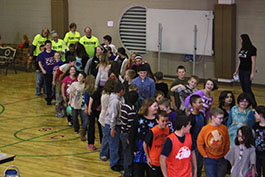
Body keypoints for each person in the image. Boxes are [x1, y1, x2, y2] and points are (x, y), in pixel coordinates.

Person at [129, 98, 158, 177]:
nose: (157, 108)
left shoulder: (157, 119)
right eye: (154, 106)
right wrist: (134, 149)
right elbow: (132, 134)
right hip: (139, 148)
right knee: (138, 171)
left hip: (152, 149)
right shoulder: (138, 117)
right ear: (148, 107)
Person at [197, 107, 230, 177]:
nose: (221, 120)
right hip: (209, 158)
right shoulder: (205, 129)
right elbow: (199, 143)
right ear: (213, 117)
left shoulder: (224, 128)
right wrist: (204, 155)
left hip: (221, 158)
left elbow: (227, 142)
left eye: (222, 118)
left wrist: (225, 153)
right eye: (219, 118)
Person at [104, 83, 125, 171]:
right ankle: (114, 163)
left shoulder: (119, 98)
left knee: (118, 144)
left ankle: (118, 161)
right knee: (114, 145)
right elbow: (113, 115)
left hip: (117, 124)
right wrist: (112, 128)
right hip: (113, 125)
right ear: (121, 91)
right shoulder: (115, 101)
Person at [143, 110, 169, 177]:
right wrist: (148, 157)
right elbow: (145, 144)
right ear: (157, 120)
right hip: (154, 161)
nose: (165, 123)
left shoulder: (167, 129)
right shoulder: (153, 131)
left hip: (163, 161)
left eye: (166, 121)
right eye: (163, 121)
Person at [233, 34, 257, 108]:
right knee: (243, 88)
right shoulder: (242, 49)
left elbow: (253, 62)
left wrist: (252, 73)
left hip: (247, 71)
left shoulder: (252, 49)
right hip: (241, 70)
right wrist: (236, 71)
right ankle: (246, 103)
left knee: (247, 88)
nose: (240, 41)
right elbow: (240, 60)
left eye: (241, 39)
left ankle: (254, 104)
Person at [120, 90, 138, 177]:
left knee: (126, 153)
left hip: (123, 132)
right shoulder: (132, 109)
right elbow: (130, 125)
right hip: (127, 134)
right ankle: (127, 174)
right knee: (128, 155)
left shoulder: (124, 106)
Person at [98, 79, 117, 161]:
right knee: (106, 137)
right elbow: (107, 108)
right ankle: (103, 153)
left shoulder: (107, 94)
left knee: (107, 137)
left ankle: (106, 153)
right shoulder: (106, 96)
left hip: (106, 118)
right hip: (105, 119)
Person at [188, 94, 206, 177]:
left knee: (199, 165)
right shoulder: (191, 118)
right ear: (193, 104)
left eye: (201, 102)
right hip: (194, 145)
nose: (201, 104)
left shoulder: (202, 115)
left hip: (201, 144)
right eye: (199, 102)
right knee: (194, 166)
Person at [38, 40, 56, 105]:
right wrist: (43, 70)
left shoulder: (54, 52)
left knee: (55, 86)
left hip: (54, 72)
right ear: (45, 46)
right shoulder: (42, 54)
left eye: (50, 45)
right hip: (47, 72)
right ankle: (49, 99)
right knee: (48, 86)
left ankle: (54, 97)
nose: (49, 46)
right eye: (47, 45)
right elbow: (39, 62)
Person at [80, 75, 95, 141]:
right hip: (84, 107)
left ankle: (89, 134)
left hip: (85, 107)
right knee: (86, 121)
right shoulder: (87, 90)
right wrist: (86, 108)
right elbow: (85, 100)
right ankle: (82, 134)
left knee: (88, 121)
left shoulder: (88, 89)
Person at [253, 105, 265, 177]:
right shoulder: (255, 125)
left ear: (260, 114)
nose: (254, 115)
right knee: (256, 172)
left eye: (255, 113)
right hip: (256, 154)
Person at [52, 52, 64, 117]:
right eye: (56, 55)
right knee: (58, 95)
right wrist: (53, 80)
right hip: (56, 81)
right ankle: (58, 111)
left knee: (60, 95)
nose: (57, 57)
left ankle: (61, 110)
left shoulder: (62, 63)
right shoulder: (53, 63)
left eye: (58, 55)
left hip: (60, 81)